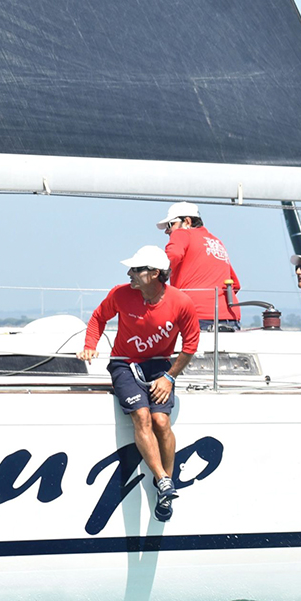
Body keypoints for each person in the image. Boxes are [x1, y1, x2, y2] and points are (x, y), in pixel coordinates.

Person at [78, 245, 199, 523]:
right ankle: (164, 480)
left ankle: (165, 489)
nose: (129, 273)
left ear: (155, 274)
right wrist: (89, 346)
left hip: (160, 365)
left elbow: (190, 345)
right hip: (124, 363)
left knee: (161, 422)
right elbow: (98, 317)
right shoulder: (121, 293)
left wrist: (170, 377)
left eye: (136, 269)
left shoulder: (181, 302)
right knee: (142, 416)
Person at [157, 202, 241, 331]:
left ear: (187, 221)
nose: (167, 231)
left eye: (170, 224)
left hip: (196, 316)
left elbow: (171, 256)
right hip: (231, 318)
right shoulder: (216, 241)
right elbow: (235, 284)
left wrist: (153, 279)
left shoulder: (182, 233)